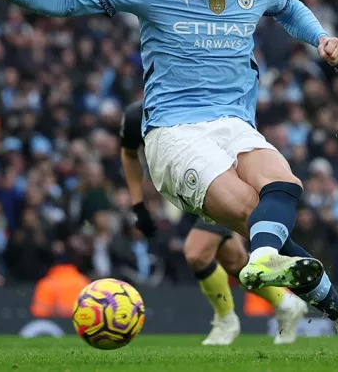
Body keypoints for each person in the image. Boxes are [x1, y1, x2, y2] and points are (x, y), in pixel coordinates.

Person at [0, 0, 338, 359]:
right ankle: (270, 289)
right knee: (249, 214)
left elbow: (288, 9)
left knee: (284, 185)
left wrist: (320, 37)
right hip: (173, 131)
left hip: (234, 123)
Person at [121, 100, 308, 345]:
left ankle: (226, 320)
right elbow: (129, 153)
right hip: (182, 192)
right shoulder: (137, 115)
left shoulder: (200, 102)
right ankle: (285, 303)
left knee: (197, 253)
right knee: (234, 261)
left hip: (216, 184)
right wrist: (138, 205)